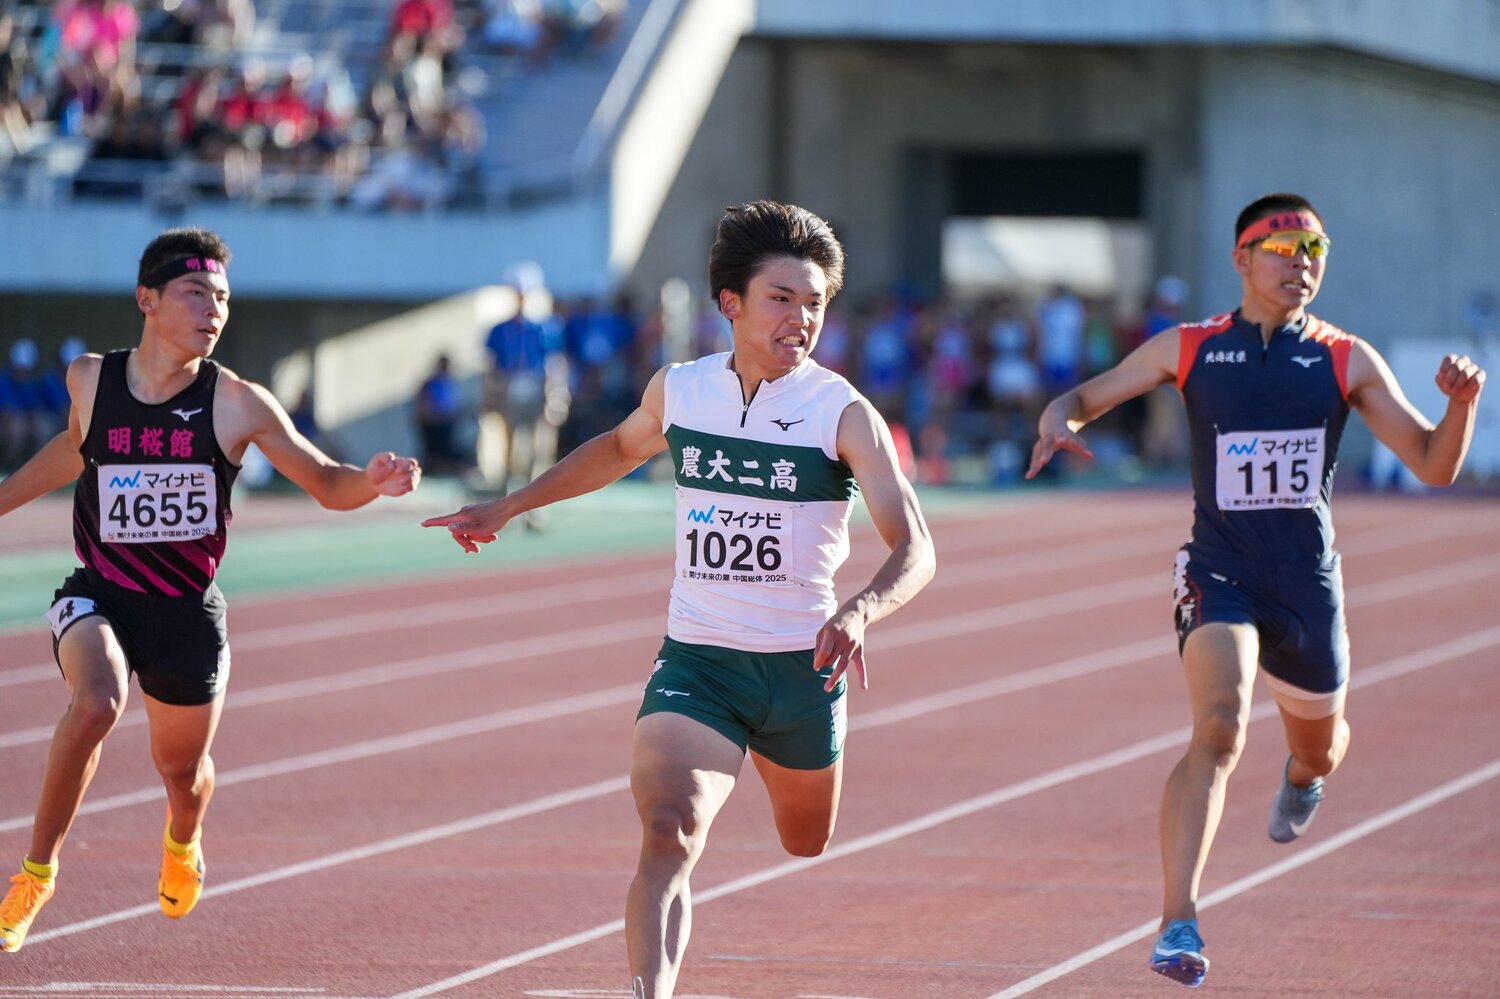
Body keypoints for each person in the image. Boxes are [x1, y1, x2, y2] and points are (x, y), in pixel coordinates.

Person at [423, 200, 937, 998]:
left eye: (815, 302)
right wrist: (509, 504)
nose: (801, 318)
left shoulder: (842, 413)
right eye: (782, 298)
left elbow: (917, 547)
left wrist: (860, 608)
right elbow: (620, 448)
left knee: (806, 839)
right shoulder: (684, 390)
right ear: (729, 303)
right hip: (698, 660)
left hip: (803, 667)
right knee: (667, 832)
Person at [1026, 192, 1486, 988]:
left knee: (1320, 746)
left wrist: (1462, 406)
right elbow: (1086, 397)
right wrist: (1059, 419)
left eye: (1314, 251)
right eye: (1284, 249)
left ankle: (1304, 777)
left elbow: (1435, 465)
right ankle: (1178, 920)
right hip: (1221, 569)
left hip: (1307, 585)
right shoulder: (1192, 347)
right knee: (1220, 726)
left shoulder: (1347, 358)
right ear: (1243, 259)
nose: (1301, 265)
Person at [0, 227, 422, 953]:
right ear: (148, 299)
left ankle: (183, 838)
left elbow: (324, 481)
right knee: (97, 699)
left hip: (185, 615)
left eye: (223, 297)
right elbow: (74, 448)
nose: (214, 309)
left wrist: (371, 483)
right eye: (197, 292)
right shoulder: (89, 380)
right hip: (99, 591)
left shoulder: (237, 403)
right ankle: (37, 871)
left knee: (183, 773)